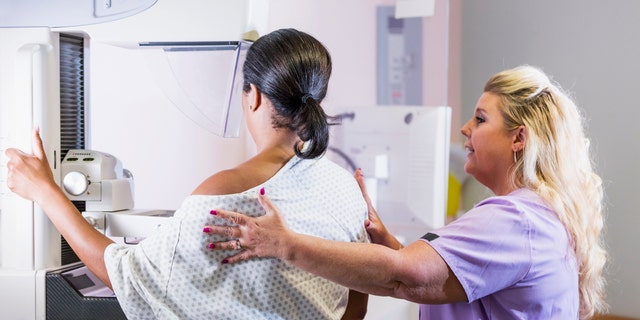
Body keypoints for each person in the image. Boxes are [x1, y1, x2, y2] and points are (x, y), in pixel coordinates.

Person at [4, 28, 371, 319]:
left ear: (253, 96)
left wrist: (46, 192)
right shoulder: (345, 189)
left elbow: (124, 276)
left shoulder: (224, 192)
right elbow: (356, 304)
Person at [205, 65, 608, 319]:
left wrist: (282, 244)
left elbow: (406, 280)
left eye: (481, 119)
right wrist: (392, 246)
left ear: (518, 138)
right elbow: (443, 280)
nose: (466, 128)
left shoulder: (515, 219)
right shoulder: (535, 215)